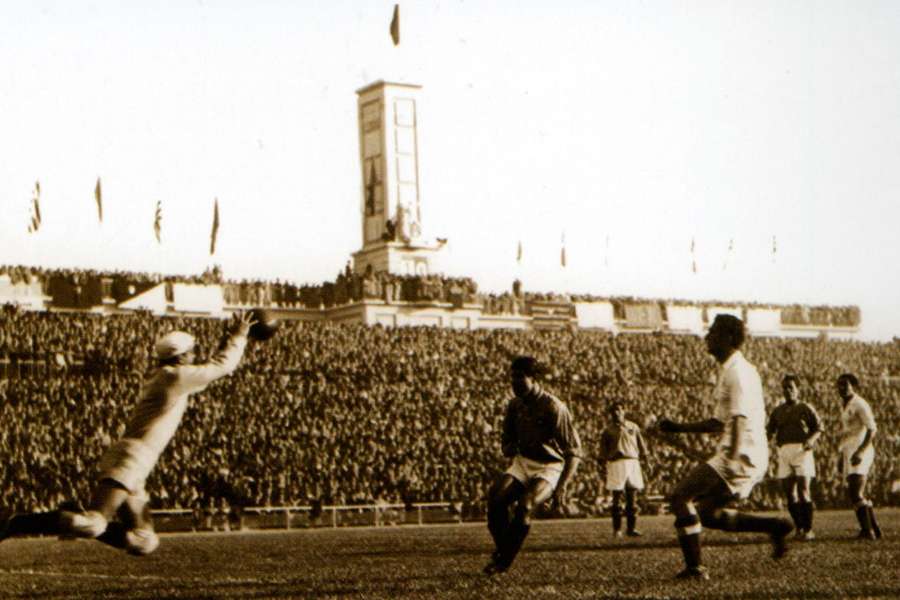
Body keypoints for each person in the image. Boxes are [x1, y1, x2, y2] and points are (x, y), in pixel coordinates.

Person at [0, 311, 253, 555]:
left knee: (143, 542)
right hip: (133, 456)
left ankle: (69, 513)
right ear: (182, 356)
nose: (195, 356)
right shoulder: (174, 377)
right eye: (192, 352)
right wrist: (239, 336)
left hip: (137, 459)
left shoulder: (168, 376)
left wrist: (226, 339)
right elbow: (222, 367)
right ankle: (15, 522)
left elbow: (209, 371)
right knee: (92, 523)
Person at [658, 314, 793, 580]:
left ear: (729, 338)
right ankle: (775, 526)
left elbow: (740, 419)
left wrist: (731, 457)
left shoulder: (738, 373)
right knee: (708, 514)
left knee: (680, 497)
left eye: (714, 332)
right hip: (744, 452)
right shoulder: (732, 370)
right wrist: (679, 427)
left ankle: (695, 568)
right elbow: (718, 422)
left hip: (742, 452)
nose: (707, 337)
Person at [483, 356, 582, 575]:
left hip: (550, 466)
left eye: (520, 377)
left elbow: (574, 452)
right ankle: (503, 551)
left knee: (525, 506)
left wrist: (562, 487)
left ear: (534, 379)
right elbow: (506, 442)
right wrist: (508, 447)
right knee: (495, 499)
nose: (514, 382)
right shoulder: (514, 405)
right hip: (523, 462)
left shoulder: (554, 406)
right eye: (512, 377)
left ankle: (503, 561)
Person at [766, 374, 822, 540]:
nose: (788, 391)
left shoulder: (806, 408)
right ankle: (799, 528)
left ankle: (809, 529)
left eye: (791, 387)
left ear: (798, 389)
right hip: (784, 451)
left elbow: (819, 428)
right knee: (790, 494)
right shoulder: (777, 411)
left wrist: (811, 440)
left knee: (804, 491)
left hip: (801, 450)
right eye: (785, 388)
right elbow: (769, 432)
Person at [836, 373, 881, 540]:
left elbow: (872, 429)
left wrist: (861, 451)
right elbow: (846, 434)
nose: (841, 388)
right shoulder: (845, 405)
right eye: (839, 385)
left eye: (845, 385)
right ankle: (873, 528)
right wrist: (842, 455)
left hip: (860, 450)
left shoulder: (860, 403)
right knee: (854, 491)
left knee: (856, 491)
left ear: (853, 386)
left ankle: (867, 531)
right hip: (849, 450)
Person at [599, 401, 648, 538]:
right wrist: (602, 465)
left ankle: (631, 529)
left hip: (632, 462)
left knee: (632, 497)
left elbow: (641, 446)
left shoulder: (633, 427)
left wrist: (646, 461)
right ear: (610, 414)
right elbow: (603, 451)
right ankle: (617, 530)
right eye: (613, 411)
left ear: (624, 411)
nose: (616, 413)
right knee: (617, 497)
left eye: (619, 410)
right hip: (616, 463)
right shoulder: (608, 431)